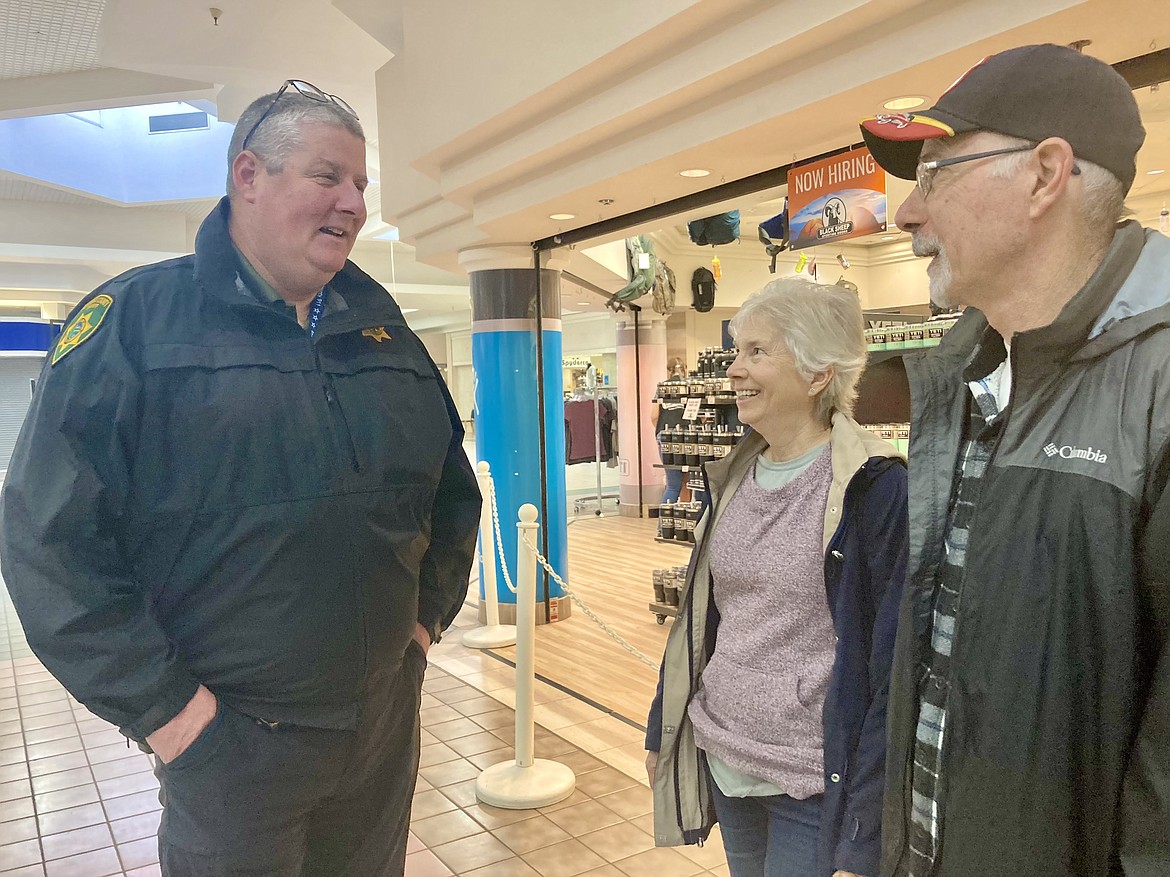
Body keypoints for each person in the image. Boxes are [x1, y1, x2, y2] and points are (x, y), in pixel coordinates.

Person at [0, 79, 480, 875]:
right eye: (329, 176)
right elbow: (48, 546)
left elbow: (450, 497)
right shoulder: (135, 326)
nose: (354, 203)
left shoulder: (382, 326)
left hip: (380, 738)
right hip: (230, 753)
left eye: (361, 184)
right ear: (248, 176)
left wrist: (420, 631)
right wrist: (173, 718)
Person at [859, 43, 1169, 876]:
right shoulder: (964, 377)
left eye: (936, 175)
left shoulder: (1158, 385)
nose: (906, 215)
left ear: (1043, 175)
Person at [645, 278, 908, 877]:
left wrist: (866, 821)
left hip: (813, 776)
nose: (735, 370)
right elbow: (700, 616)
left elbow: (892, 660)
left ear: (819, 374)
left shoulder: (874, 487)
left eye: (757, 353)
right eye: (738, 352)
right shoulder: (733, 475)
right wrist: (664, 725)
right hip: (726, 752)